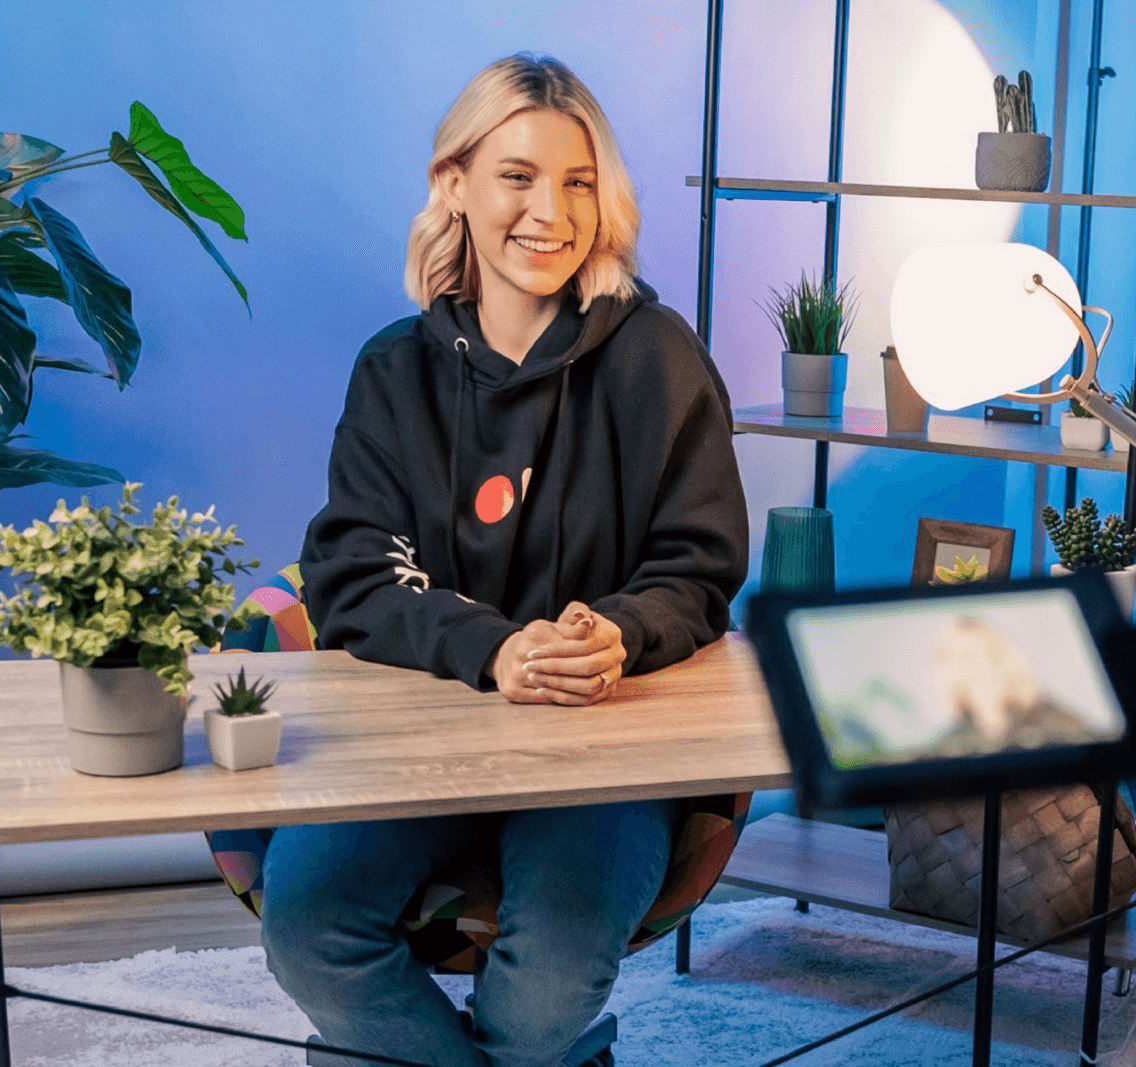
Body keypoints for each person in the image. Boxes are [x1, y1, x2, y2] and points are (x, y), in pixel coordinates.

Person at [262, 54, 749, 1067]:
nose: (550, 211)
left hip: (601, 754)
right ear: (455, 184)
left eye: (578, 182)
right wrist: (493, 650)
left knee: (545, 1001)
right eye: (518, 175)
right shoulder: (393, 370)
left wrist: (618, 628)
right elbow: (352, 573)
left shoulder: (658, 358)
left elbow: (697, 566)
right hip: (411, 739)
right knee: (306, 925)